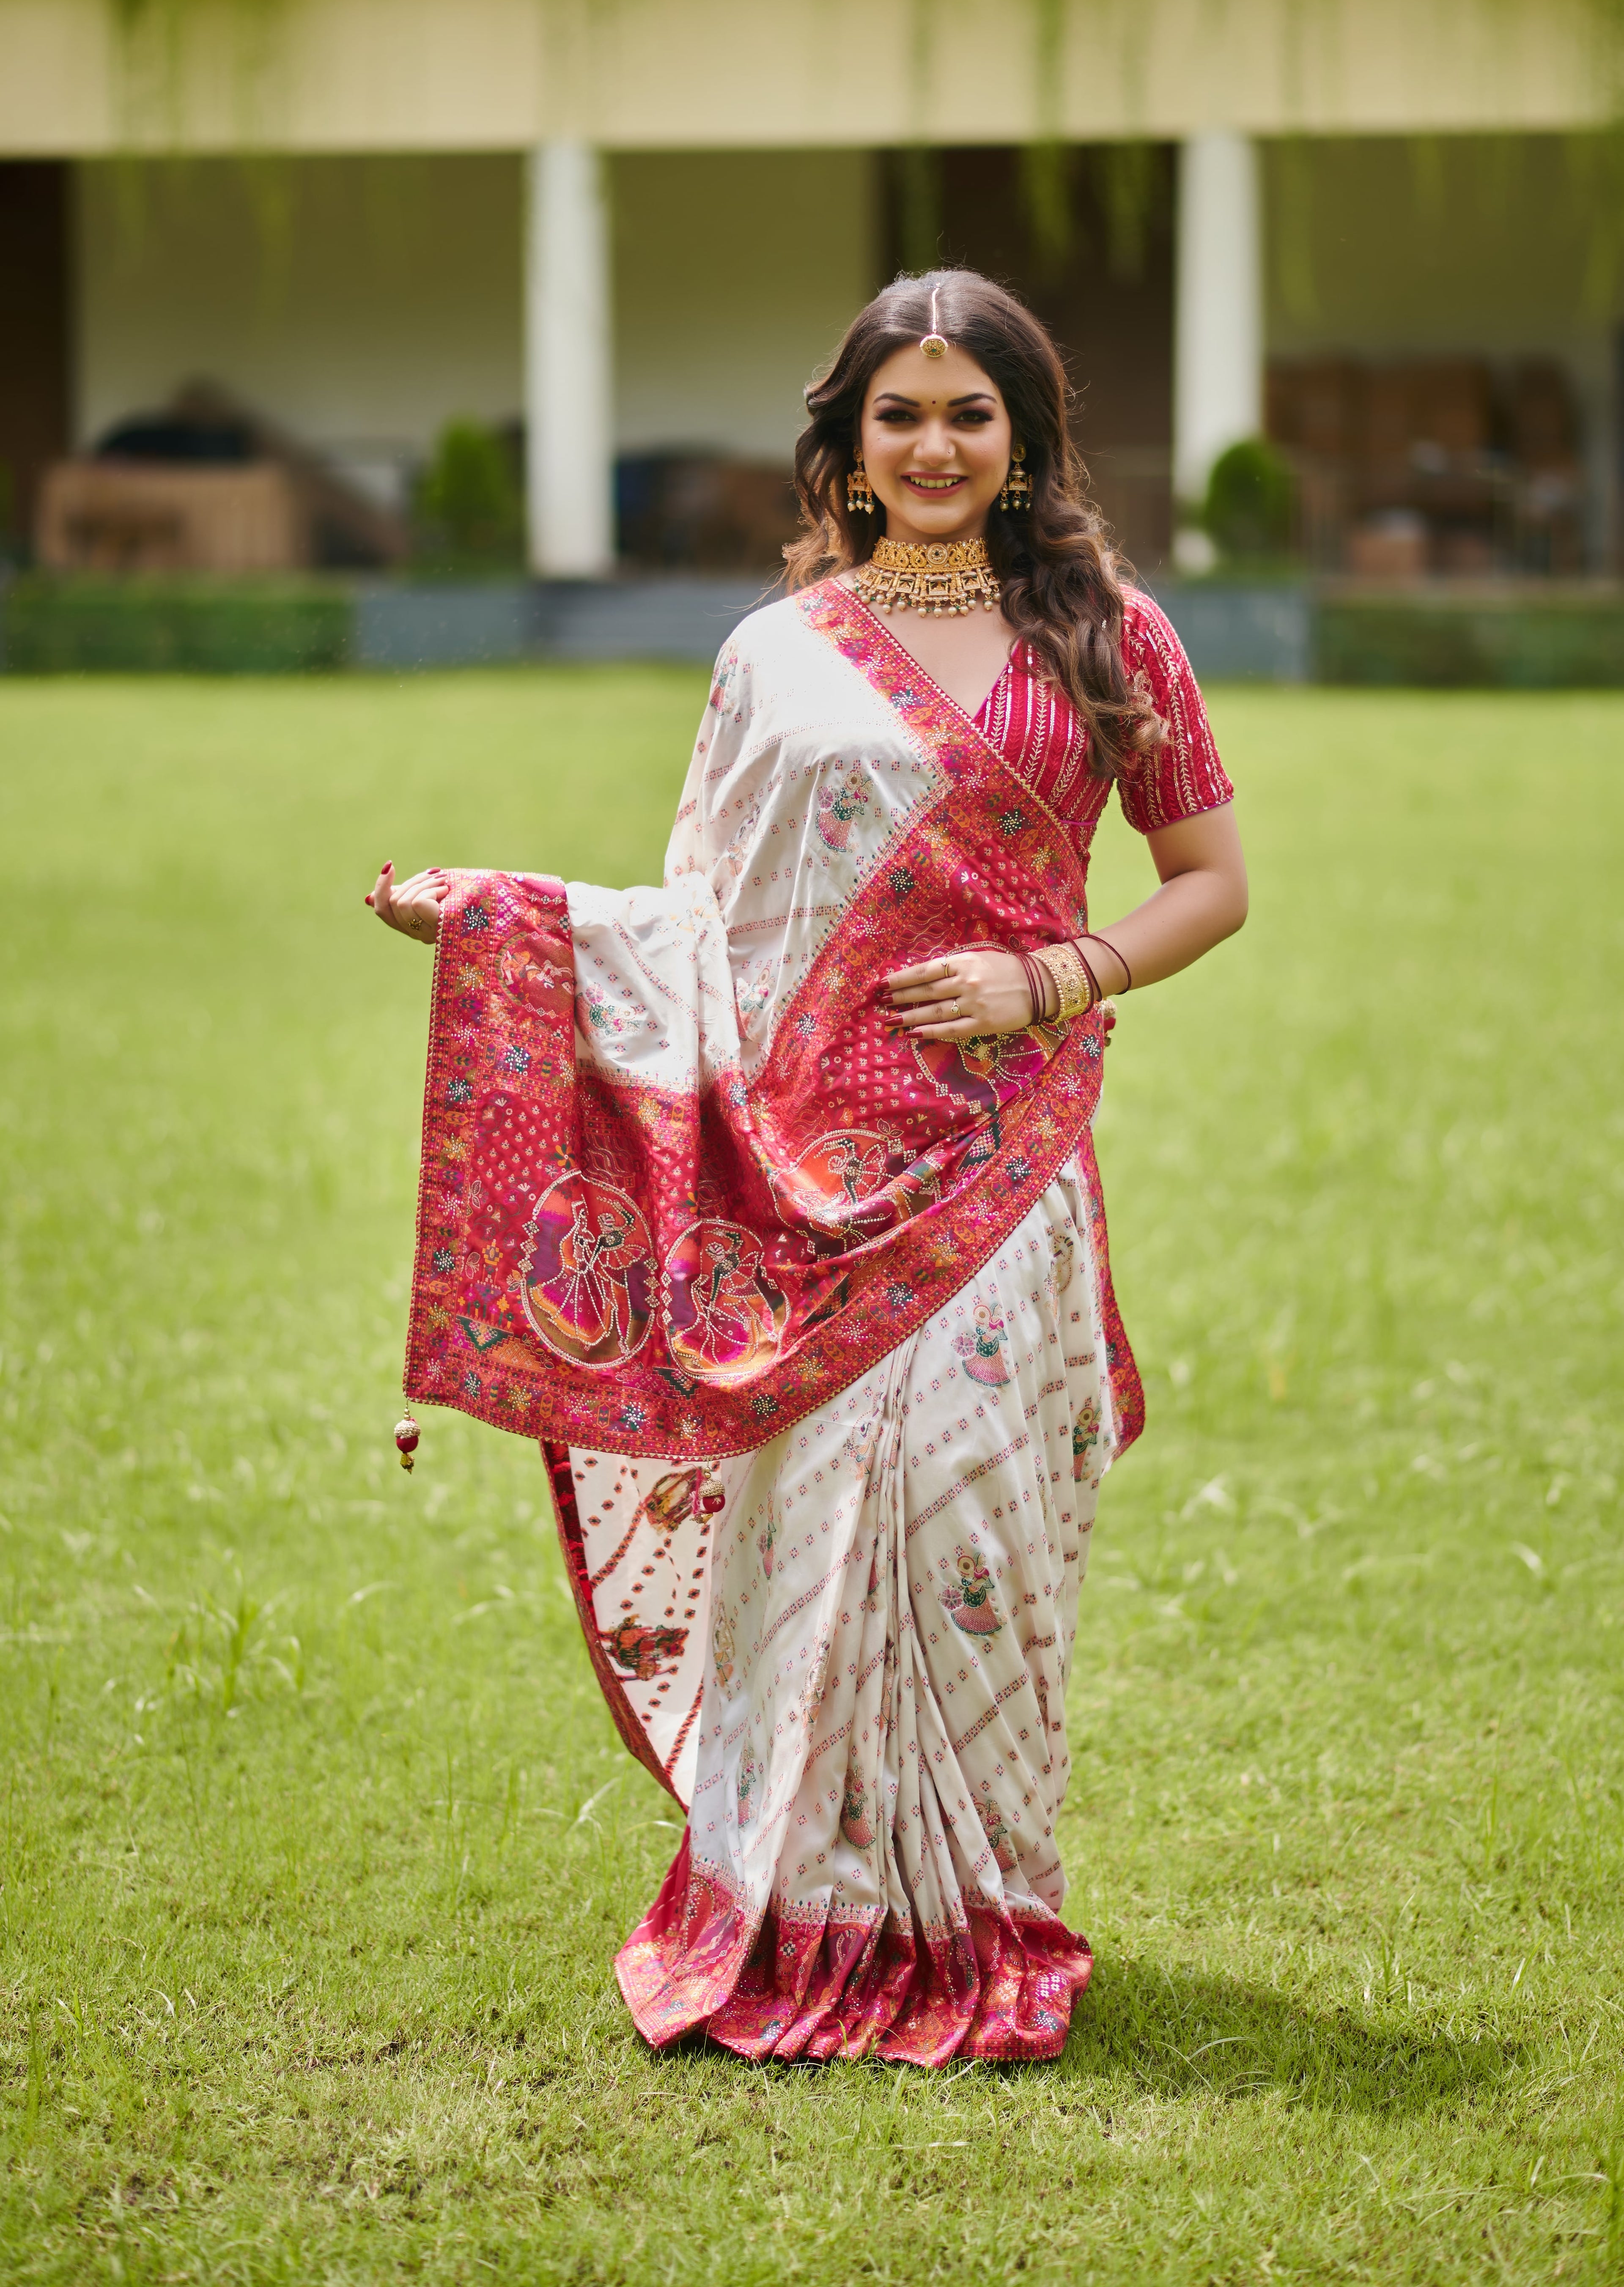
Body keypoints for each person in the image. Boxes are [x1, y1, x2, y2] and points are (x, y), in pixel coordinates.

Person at [366, 269, 1247, 2068]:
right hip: (802, 1196)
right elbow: (704, 929)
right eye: (898, 414)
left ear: (1024, 438)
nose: (933, 446)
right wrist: (505, 925)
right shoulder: (774, 655)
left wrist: (1047, 977)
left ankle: (975, 1912)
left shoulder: (1111, 634)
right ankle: (798, 1916)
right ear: (847, 443)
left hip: (1006, 1180)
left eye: (969, 413)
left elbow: (1212, 882)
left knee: (973, 1532)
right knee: (819, 1545)